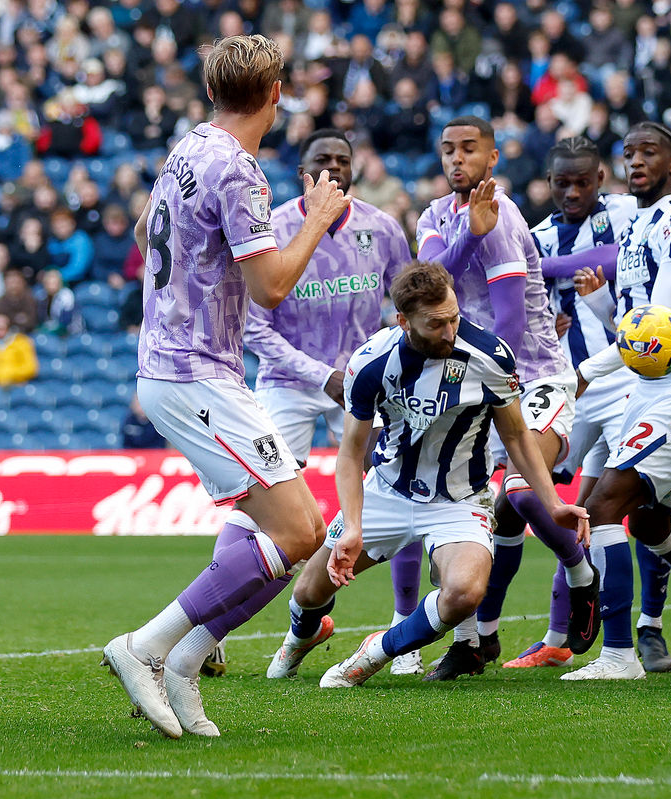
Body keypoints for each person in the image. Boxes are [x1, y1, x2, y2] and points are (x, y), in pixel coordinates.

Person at [99, 35, 351, 740]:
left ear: (212, 94)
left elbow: (150, 229)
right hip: (195, 374)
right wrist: (318, 221)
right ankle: (149, 649)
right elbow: (271, 287)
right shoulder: (240, 171)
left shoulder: (187, 146)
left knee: (288, 532)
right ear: (277, 94)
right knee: (301, 531)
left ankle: (180, 663)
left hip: (179, 365)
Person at [265, 262, 589, 687]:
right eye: (436, 324)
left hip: (460, 501)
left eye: (454, 317)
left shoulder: (489, 356)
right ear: (403, 321)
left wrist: (552, 503)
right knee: (309, 593)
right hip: (388, 490)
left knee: (464, 593)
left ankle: (376, 652)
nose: (450, 331)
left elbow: (516, 436)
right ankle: (298, 638)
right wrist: (354, 526)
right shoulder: (370, 363)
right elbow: (350, 453)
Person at [413, 117, 601, 677]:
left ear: (492, 158)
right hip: (463, 381)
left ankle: (582, 574)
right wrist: (465, 233)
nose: (457, 159)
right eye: (448, 150)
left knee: (521, 492)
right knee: (464, 518)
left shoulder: (505, 215)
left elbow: (512, 322)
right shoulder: (433, 216)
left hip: (530, 374)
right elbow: (427, 283)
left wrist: (479, 229)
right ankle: (475, 641)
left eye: (469, 149)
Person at [242, 128, 418, 673]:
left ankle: (404, 627)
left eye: (343, 160)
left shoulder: (382, 228)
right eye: (323, 160)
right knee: (257, 502)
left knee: (406, 490)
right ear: (303, 172)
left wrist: (379, 363)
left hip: (366, 384)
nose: (335, 168)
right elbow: (254, 327)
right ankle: (224, 623)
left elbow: (406, 303)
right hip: (289, 384)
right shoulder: (271, 231)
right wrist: (323, 377)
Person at [566, 121, 671, 680]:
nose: (635, 161)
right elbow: (635, 324)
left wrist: (582, 371)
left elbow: (659, 327)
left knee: (605, 505)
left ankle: (618, 655)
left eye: (649, 152)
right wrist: (606, 306)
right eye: (629, 153)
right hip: (647, 382)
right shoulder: (638, 226)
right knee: (651, 520)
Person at [489, 137, 641, 670]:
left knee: (637, 510)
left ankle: (668, 631)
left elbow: (613, 257)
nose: (572, 191)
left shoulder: (625, 213)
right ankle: (557, 635)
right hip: (566, 385)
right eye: (562, 183)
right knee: (521, 499)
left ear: (601, 178)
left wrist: (545, 269)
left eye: (583, 181)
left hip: (625, 379)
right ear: (548, 182)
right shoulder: (536, 234)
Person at [0, 312, 37, 385]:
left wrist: (8, 375)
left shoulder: (21, 342)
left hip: (17, 384)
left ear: (8, 327)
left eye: (2, 328)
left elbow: (30, 368)